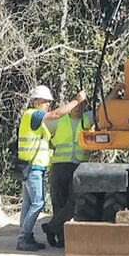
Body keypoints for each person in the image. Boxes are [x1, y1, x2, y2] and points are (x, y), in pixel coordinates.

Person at [17, 85, 86, 251]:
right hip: (33, 167)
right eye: (44, 101)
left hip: (31, 167)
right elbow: (56, 114)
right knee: (38, 203)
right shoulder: (33, 115)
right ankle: (24, 237)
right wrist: (77, 101)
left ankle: (24, 236)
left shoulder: (36, 120)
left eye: (49, 102)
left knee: (28, 204)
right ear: (36, 102)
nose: (48, 104)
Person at [42, 100, 92, 248]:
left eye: (80, 105)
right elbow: (40, 124)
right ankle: (61, 238)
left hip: (78, 166)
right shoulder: (58, 120)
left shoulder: (87, 119)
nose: (77, 108)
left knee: (74, 202)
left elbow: (104, 109)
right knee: (59, 202)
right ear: (69, 106)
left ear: (84, 107)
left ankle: (52, 227)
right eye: (75, 105)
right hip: (59, 165)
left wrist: (116, 91)